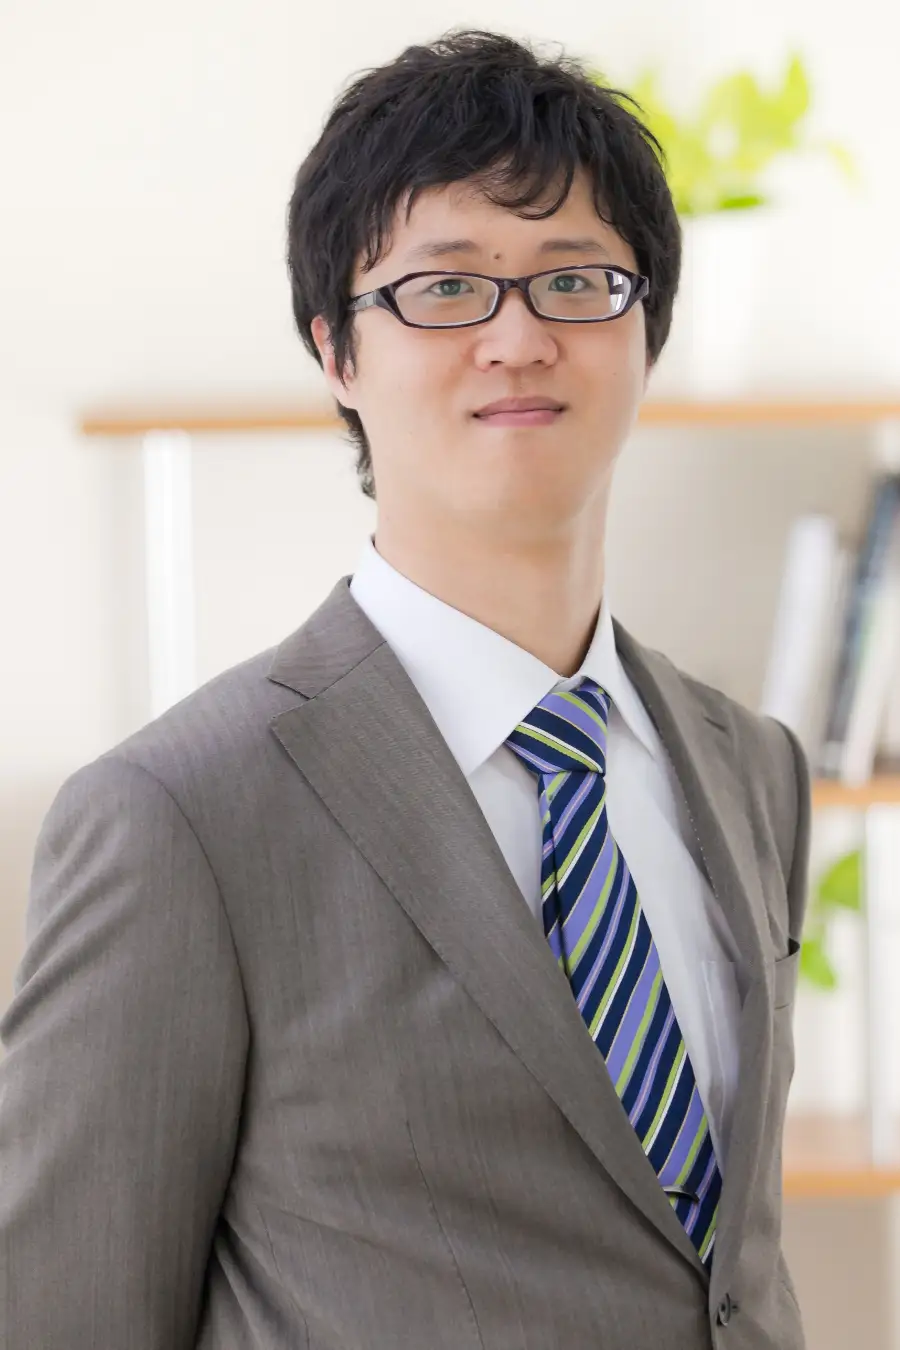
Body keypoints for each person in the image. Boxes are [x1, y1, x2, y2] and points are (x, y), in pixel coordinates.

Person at [0, 28, 811, 1350]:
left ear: (645, 332)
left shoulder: (750, 765)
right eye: (444, 289)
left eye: (576, 281)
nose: (518, 337)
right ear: (337, 351)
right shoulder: (177, 820)